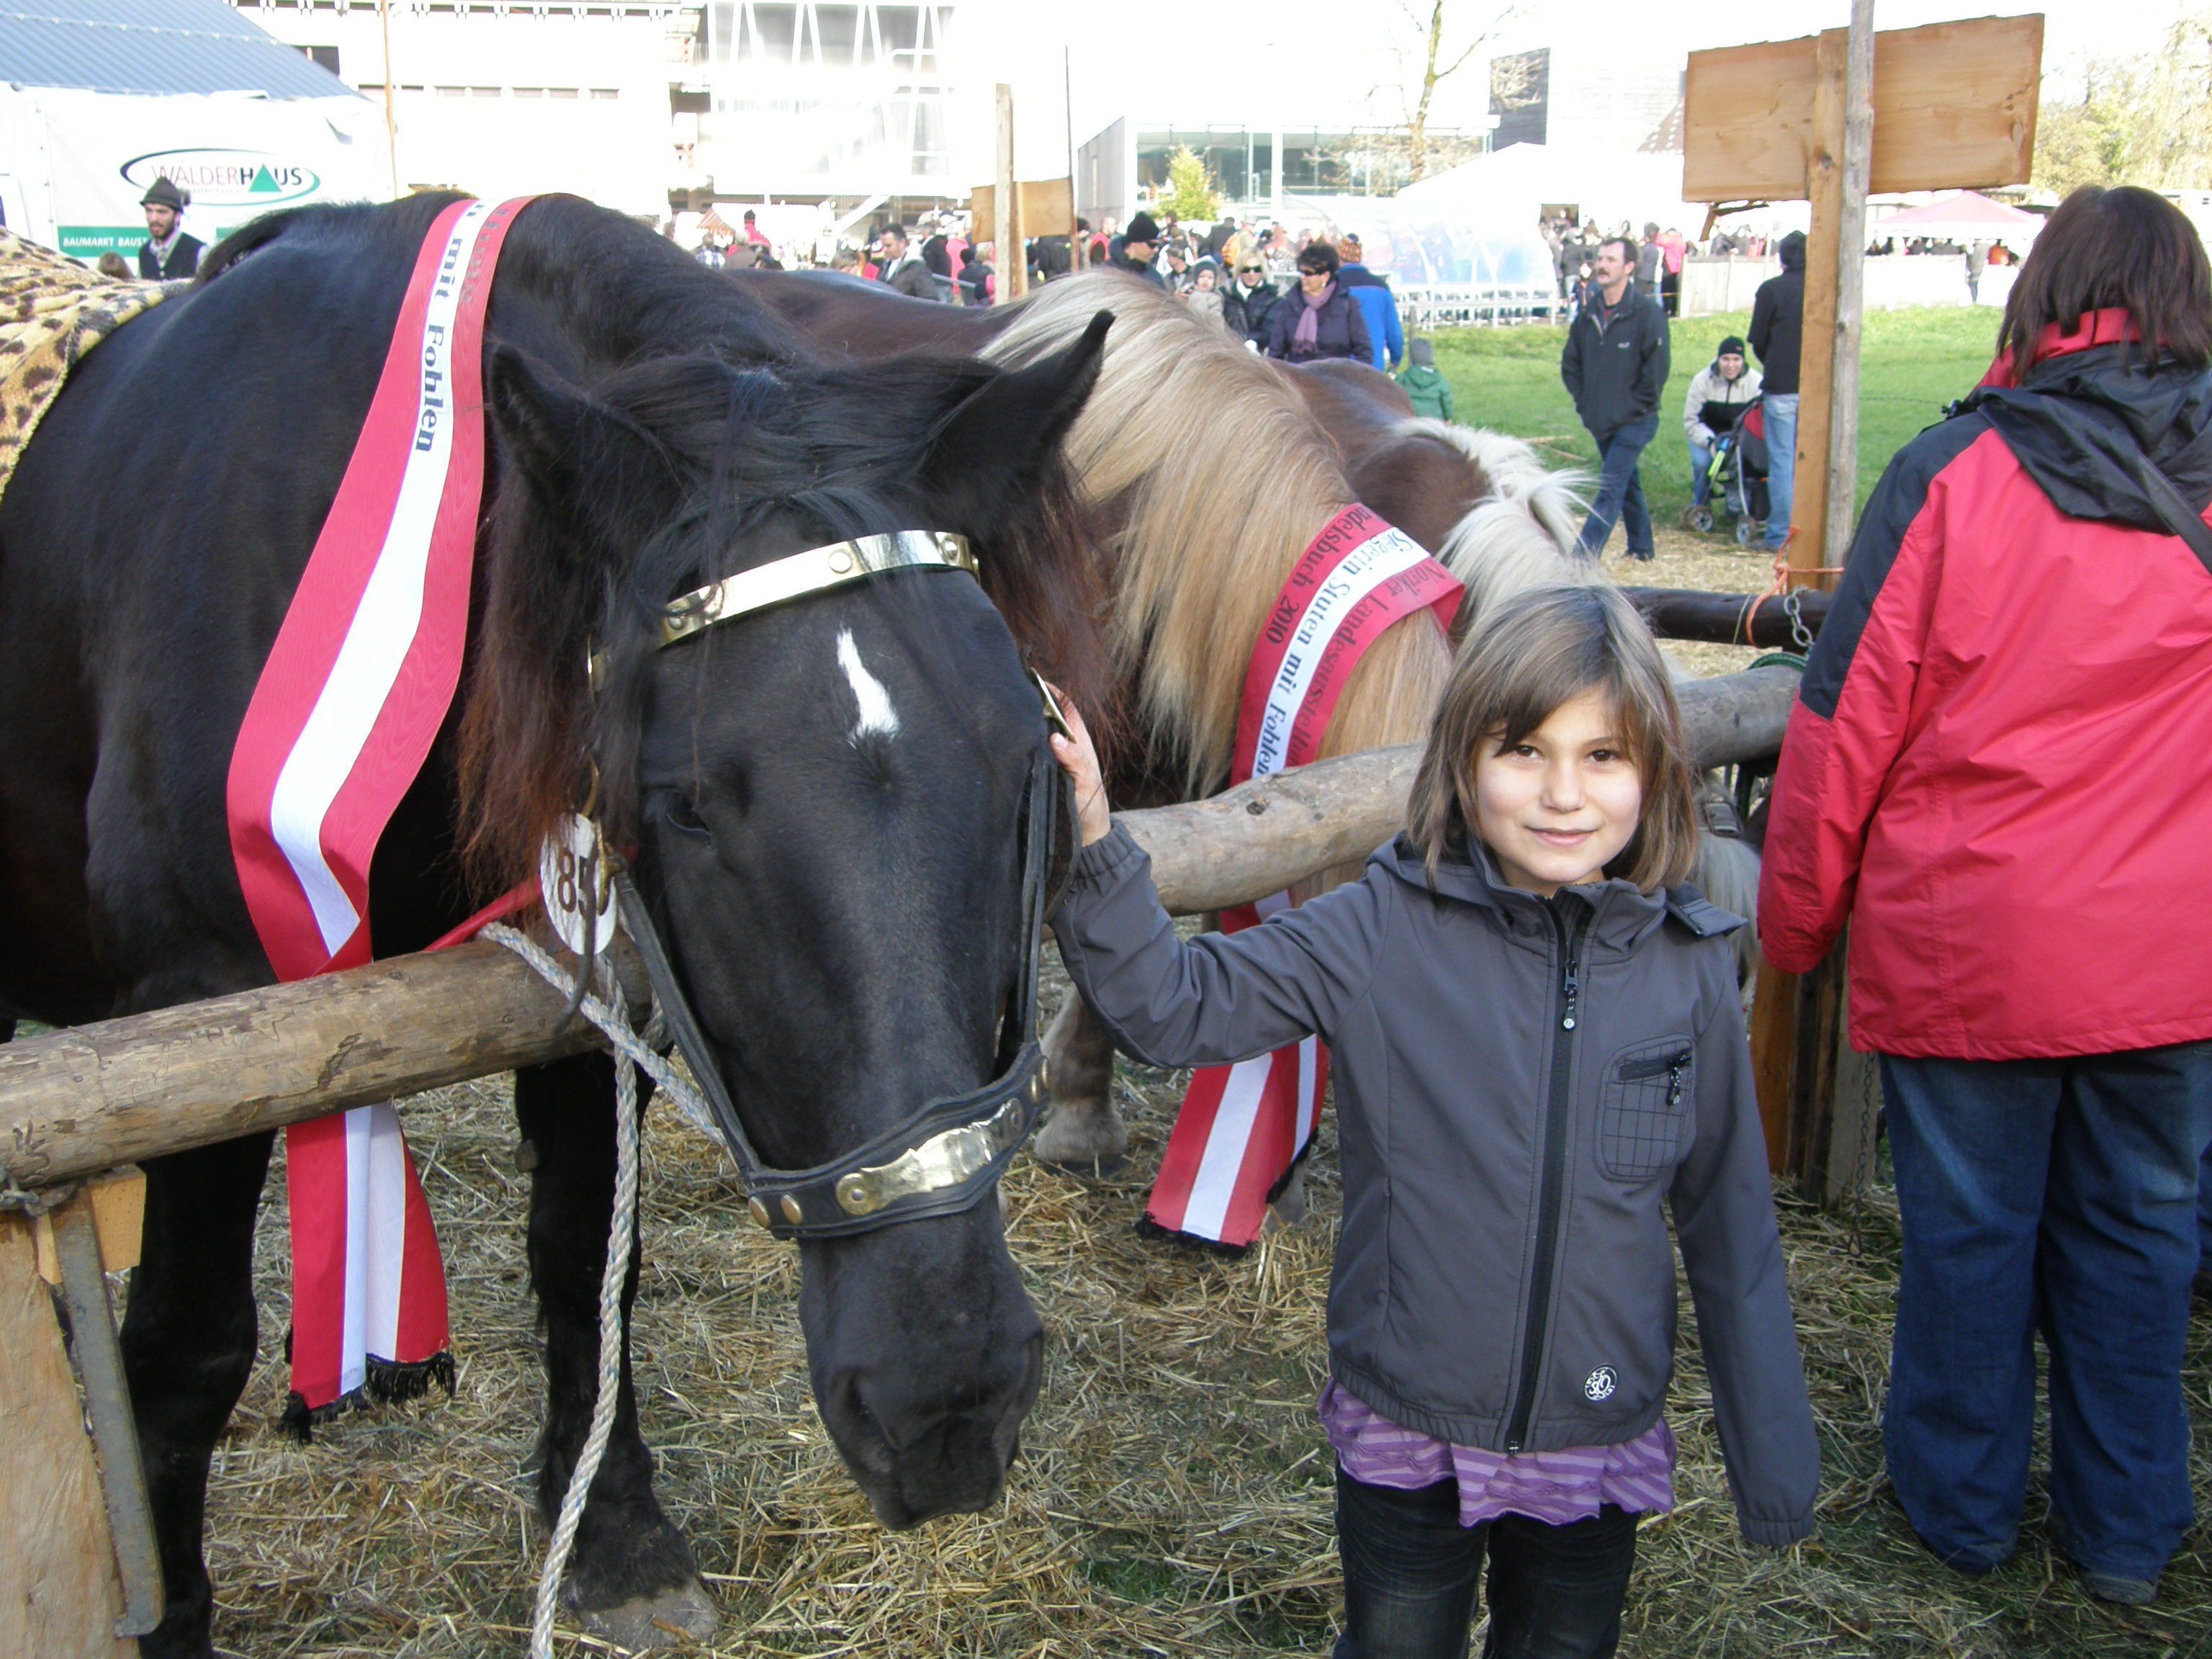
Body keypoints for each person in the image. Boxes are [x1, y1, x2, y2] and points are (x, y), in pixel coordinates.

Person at [1045, 584, 1820, 1659]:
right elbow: (1170, 1007)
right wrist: (1094, 840)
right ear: (1462, 759)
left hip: (1595, 1432)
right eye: (1524, 750)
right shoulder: (1375, 929)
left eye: (1605, 757)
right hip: (1410, 1426)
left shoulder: (1686, 969)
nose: (1562, 794)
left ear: (1655, 773)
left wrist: (1773, 1460)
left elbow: (1732, 1226)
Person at [1758, 185, 2212, 1609]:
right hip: (2174, 955)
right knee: (2142, 1236)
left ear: (2042, 295)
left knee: (1968, 1238)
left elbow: (1842, 725)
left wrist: (1796, 926)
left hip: (1982, 948)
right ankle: (2128, 1529)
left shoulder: (1955, 474)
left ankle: (1958, 1512)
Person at [1560, 236, 1670, 560]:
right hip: (1601, 420)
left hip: (1636, 420)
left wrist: (1636, 406)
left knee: (1610, 487)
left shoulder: (1647, 314)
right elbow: (1570, 366)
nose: (1602, 265)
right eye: (1600, 259)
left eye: (1611, 260)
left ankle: (1581, 559)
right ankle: (1642, 549)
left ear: (1630, 267)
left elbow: (1657, 370)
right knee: (1626, 482)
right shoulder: (1588, 314)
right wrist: (1586, 404)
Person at [1747, 230, 1804, 552]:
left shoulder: (1771, 290)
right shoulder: (1822, 288)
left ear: (1782, 258)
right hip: (1817, 390)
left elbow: (1757, 337)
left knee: (1782, 462)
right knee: (1811, 463)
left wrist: (1773, 362)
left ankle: (1780, 535)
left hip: (1781, 385)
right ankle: (1811, 533)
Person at [1680, 336, 1761, 512]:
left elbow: (1758, 421)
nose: (1730, 365)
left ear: (1743, 361)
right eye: (1725, 359)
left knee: (1750, 466)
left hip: (1741, 440)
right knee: (1702, 464)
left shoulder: (1755, 383)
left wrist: (1739, 443)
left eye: (1736, 359)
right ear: (1718, 359)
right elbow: (1691, 421)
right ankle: (1700, 504)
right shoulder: (1702, 381)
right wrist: (1710, 442)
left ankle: (1740, 506)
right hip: (1707, 437)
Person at [1266, 241, 1373, 364]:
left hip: (1335, 379)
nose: (1302, 277)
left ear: (1325, 276)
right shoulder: (1288, 304)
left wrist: (1350, 379)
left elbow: (1365, 352)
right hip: (1297, 379)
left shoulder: (1347, 304)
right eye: (1301, 272)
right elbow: (1275, 354)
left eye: (1308, 273)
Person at [1336, 235, 1405, 372]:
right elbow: (1394, 333)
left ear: (1339, 258)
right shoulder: (1381, 287)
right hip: (1374, 368)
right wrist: (1395, 360)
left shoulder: (1332, 287)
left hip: (1339, 369)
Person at [137, 176, 202, 281]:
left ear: (177, 216)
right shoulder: (144, 253)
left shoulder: (198, 251)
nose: (154, 219)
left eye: (161, 212)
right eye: (149, 211)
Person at [1224, 255, 1281, 349]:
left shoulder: (1272, 297)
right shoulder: (1226, 294)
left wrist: (1251, 342)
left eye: (1257, 269)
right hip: (1228, 350)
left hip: (1259, 354)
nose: (1252, 274)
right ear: (1239, 271)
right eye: (1246, 269)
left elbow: (1270, 331)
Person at [1395, 337, 1455, 421]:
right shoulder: (1440, 381)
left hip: (1410, 422)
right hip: (1435, 424)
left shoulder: (1402, 379)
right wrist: (1448, 418)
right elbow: (1447, 403)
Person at [874, 225, 940, 300]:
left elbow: (930, 299)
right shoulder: (884, 267)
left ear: (902, 243)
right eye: (883, 246)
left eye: (888, 246)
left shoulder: (917, 269)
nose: (884, 250)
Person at [1112, 211, 1167, 289]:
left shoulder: (1154, 277)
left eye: (1157, 245)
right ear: (1135, 243)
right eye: (1152, 245)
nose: (1156, 250)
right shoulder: (1107, 273)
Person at [1183, 260, 1226, 325]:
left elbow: (1216, 320)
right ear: (1196, 279)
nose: (1205, 280)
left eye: (1210, 278)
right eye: (1202, 277)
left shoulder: (1216, 298)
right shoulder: (1191, 295)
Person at [957, 240, 994, 306]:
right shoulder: (986, 269)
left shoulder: (961, 275)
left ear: (962, 259)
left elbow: (962, 290)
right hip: (987, 304)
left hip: (969, 307)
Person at [1632, 222, 1661, 303]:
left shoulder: (1644, 248)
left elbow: (1638, 261)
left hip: (1641, 277)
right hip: (1651, 277)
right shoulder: (1656, 250)